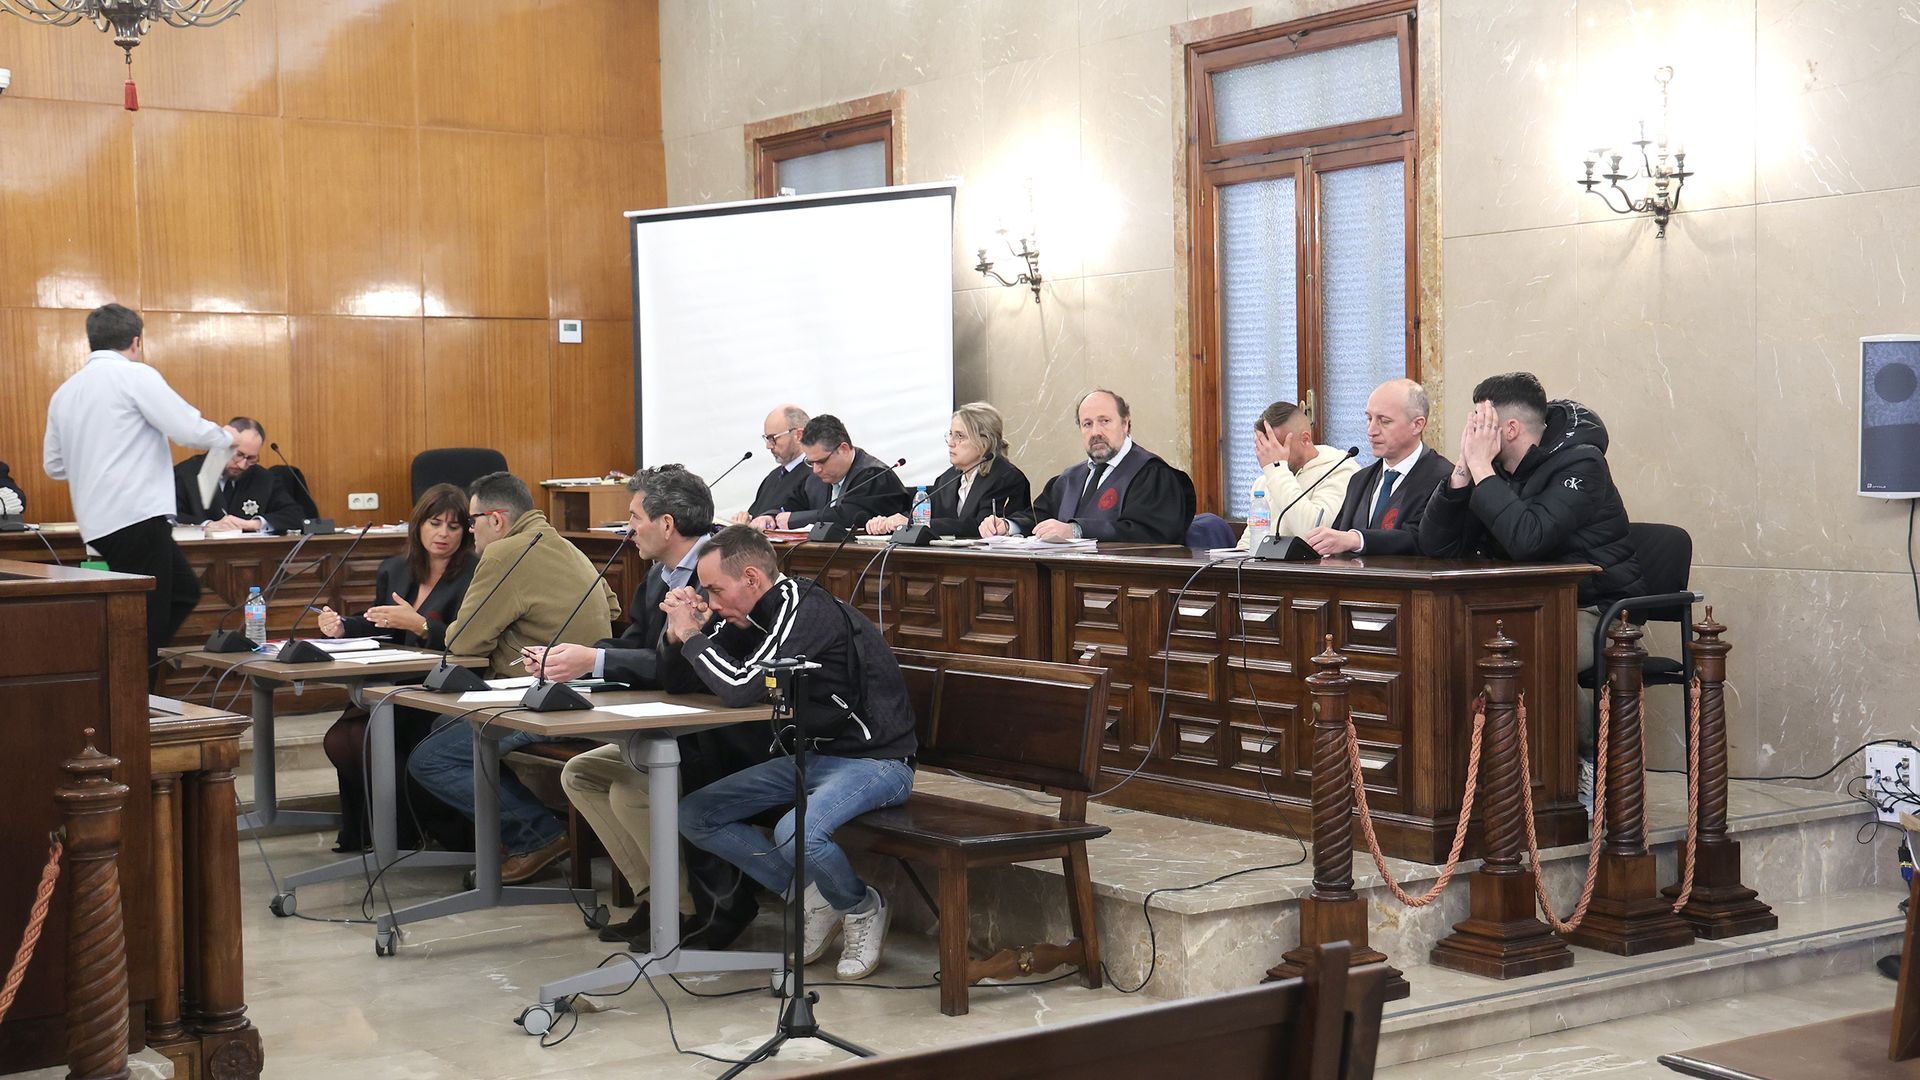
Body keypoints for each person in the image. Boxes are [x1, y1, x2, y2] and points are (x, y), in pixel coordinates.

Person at [524, 466, 769, 950]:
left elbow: (683, 666)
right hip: (676, 730)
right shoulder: (659, 575)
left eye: (634, 517)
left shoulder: (718, 575)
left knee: (628, 790)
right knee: (581, 773)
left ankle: (691, 908)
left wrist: (594, 660)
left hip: (723, 736)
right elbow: (638, 645)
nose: (628, 528)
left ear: (667, 524)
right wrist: (572, 658)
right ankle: (658, 899)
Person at [668, 526, 917, 980]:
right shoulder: (750, 614)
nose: (711, 602)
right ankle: (815, 894)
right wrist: (687, 631)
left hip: (878, 761)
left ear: (751, 578)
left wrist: (692, 637)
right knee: (696, 814)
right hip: (816, 757)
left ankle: (860, 905)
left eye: (715, 590)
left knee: (795, 831)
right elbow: (691, 676)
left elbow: (739, 688)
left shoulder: (802, 609)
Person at [1416, 371, 1646, 789]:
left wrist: (1482, 469)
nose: (1473, 432)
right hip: (1524, 604)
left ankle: (1585, 763)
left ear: (1509, 429)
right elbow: (1437, 545)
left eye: (1480, 423)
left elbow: (1528, 539)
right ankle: (1480, 778)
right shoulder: (1492, 470)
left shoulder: (1581, 463)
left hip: (1596, 607)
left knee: (1531, 655)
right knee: (1451, 651)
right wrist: (1463, 472)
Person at [406, 471, 622, 884]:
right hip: (589, 692)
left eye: (472, 521)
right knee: (442, 729)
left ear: (497, 519)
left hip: (542, 699)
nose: (470, 531)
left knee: (432, 759)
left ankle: (538, 835)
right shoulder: (566, 546)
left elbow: (462, 642)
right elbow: (612, 608)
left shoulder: (506, 553)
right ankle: (516, 832)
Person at [43, 303, 236, 683]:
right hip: (137, 516)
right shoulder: (134, 375)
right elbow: (187, 429)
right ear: (136, 341)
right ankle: (133, 695)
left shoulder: (64, 393)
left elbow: (54, 466)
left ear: (92, 340)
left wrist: (93, 458)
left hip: (99, 525)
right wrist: (225, 436)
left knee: (181, 593)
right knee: (148, 619)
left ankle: (130, 673)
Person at [313, 484, 478, 854]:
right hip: (391, 679)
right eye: (435, 523)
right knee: (341, 738)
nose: (443, 534)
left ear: (465, 532)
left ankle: (419, 828)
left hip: (440, 686)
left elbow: (468, 639)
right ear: (418, 525)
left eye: (453, 526)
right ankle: (393, 830)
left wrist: (421, 624)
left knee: (364, 736)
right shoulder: (396, 568)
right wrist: (342, 626)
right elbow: (381, 623)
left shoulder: (474, 573)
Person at [980, 389, 1195, 544]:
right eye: (1087, 424)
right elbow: (1038, 517)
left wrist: (1076, 531)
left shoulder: (1152, 474)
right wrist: (1007, 526)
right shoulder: (1070, 479)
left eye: (1105, 421)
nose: (1095, 432)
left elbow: (1151, 534)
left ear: (1125, 424)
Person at [1305, 378, 1455, 557]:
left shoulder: (1444, 479)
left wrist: (1357, 540)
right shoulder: (1360, 479)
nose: (1371, 430)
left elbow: (1421, 538)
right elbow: (1339, 538)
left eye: (1384, 421)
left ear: (1417, 425)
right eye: (1369, 418)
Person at [864, 402, 1031, 538]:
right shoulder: (948, 478)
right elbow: (926, 515)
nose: (951, 443)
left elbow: (979, 526)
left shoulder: (1005, 478)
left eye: (960, 436)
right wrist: (889, 522)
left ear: (984, 441)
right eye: (951, 434)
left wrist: (913, 524)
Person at [1233, 400, 1360, 551]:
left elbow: (1313, 533)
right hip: (1265, 565)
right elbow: (1250, 541)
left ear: (1305, 439)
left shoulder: (1340, 471)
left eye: (1278, 445)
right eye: (1266, 446)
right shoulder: (1265, 481)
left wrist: (1277, 471)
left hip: (1313, 565)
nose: (1271, 454)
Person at [759, 415, 908, 532]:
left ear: (843, 449)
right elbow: (792, 504)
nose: (815, 470)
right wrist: (771, 516)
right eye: (810, 462)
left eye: (821, 461)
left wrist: (794, 520)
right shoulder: (817, 478)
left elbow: (848, 516)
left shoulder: (874, 475)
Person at [172, 416, 306, 535]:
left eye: (251, 458)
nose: (242, 465)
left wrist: (255, 524)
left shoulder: (263, 478)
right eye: (239, 455)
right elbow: (169, 516)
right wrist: (206, 525)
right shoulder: (185, 474)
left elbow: (296, 515)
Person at [734, 404, 824, 524]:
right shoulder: (773, 476)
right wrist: (745, 519)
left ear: (799, 435)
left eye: (773, 438)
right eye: (767, 439)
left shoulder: (817, 474)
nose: (769, 446)